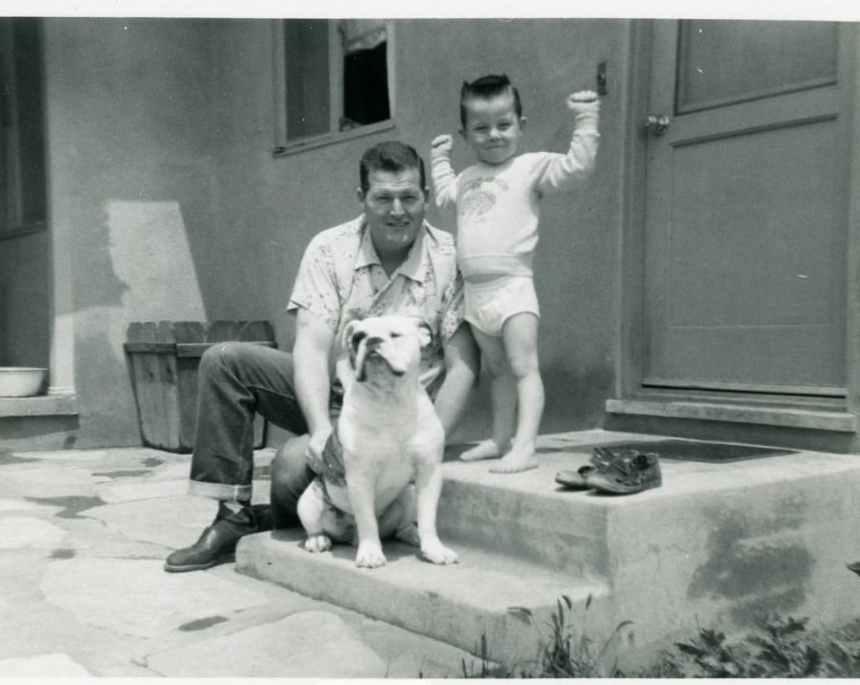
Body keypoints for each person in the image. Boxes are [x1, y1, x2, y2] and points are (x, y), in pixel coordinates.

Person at [164, 140, 478, 573]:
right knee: (224, 361)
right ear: (361, 199)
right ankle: (232, 516)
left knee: (290, 468)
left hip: (404, 411)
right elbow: (311, 348)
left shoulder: (451, 257)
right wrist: (318, 431)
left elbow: (464, 365)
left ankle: (290, 514)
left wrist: (427, 442)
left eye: (409, 197)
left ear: (425, 195)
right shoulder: (330, 248)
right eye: (382, 198)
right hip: (339, 395)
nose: (397, 211)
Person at [430, 74, 599, 474]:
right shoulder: (468, 177)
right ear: (466, 133)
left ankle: (525, 446)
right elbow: (443, 197)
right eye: (481, 128)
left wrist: (586, 121)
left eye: (503, 125)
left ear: (521, 124)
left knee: (524, 367)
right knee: (499, 372)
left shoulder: (530, 167)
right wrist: (439, 160)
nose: (493, 135)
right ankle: (499, 438)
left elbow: (576, 169)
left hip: (513, 289)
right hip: (477, 294)